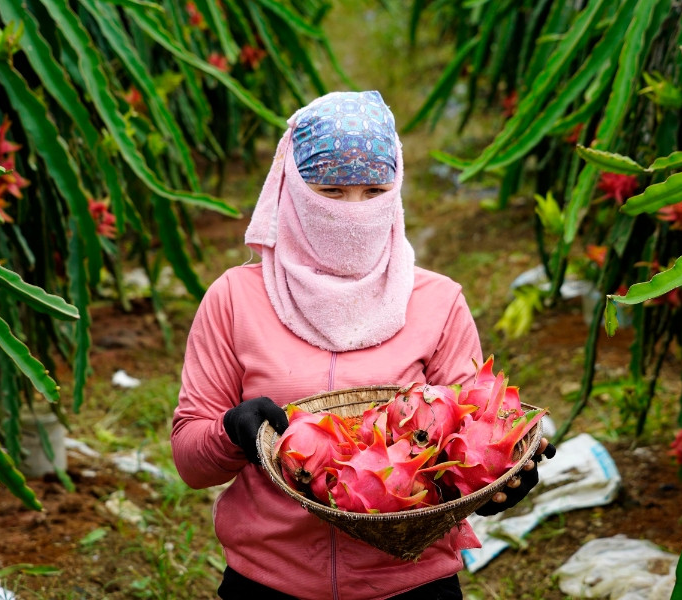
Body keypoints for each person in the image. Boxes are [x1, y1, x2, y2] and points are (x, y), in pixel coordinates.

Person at [171, 90, 555, 600]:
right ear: (291, 185)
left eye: (375, 191)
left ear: (397, 188)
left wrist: (490, 486)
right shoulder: (235, 299)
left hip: (413, 586)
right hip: (268, 584)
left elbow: (469, 437)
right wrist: (230, 432)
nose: (354, 212)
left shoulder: (438, 301)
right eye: (330, 191)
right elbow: (190, 462)